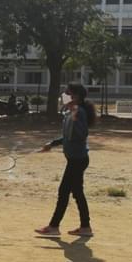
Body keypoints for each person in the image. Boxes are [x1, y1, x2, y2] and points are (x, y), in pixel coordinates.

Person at [35, 82, 96, 237]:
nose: (64, 96)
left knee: (64, 192)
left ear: (75, 97)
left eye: (67, 94)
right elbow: (68, 136)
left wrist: (74, 116)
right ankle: (85, 227)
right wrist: (52, 144)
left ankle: (54, 227)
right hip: (76, 159)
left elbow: (81, 134)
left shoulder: (78, 112)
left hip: (77, 160)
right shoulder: (73, 112)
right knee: (77, 193)